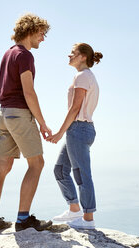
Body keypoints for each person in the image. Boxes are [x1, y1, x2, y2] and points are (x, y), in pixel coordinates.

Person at [0, 13, 53, 234]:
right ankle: (23, 220)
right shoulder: (25, 55)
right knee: (37, 164)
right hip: (19, 114)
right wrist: (42, 123)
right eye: (42, 33)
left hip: (4, 114)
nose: (43, 38)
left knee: (2, 167)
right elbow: (29, 92)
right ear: (31, 31)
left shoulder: (8, 53)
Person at [47, 43, 103, 229]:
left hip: (78, 129)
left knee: (81, 174)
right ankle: (74, 209)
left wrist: (59, 132)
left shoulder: (83, 76)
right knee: (61, 170)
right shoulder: (84, 76)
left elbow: (75, 108)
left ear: (83, 57)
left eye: (73, 53)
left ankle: (88, 220)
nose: (69, 55)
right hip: (79, 130)